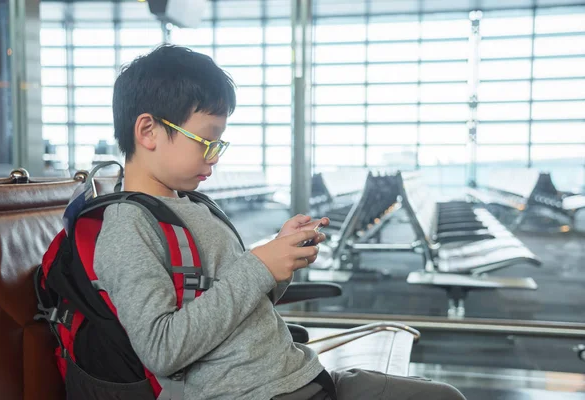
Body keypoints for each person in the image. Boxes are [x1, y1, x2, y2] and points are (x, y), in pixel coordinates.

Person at [93, 44, 466, 400]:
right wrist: (259, 266)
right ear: (148, 132)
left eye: (220, 143)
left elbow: (237, 305)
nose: (215, 156)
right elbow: (161, 348)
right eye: (207, 140)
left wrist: (279, 264)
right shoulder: (129, 226)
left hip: (298, 375)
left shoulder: (195, 204)